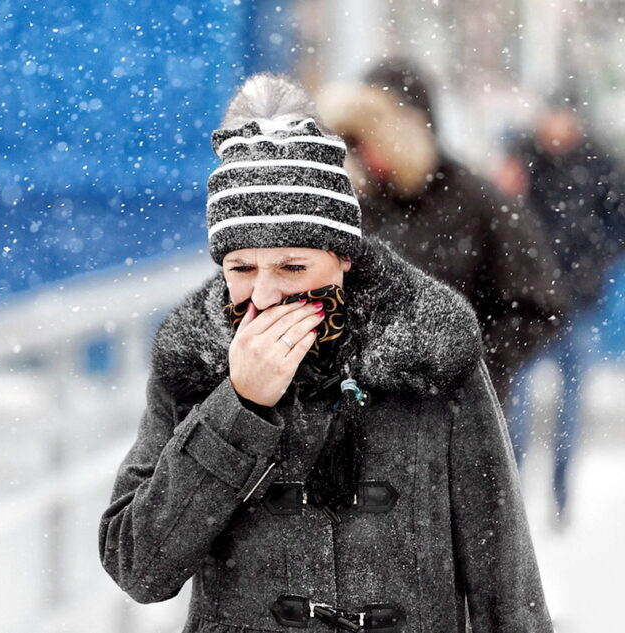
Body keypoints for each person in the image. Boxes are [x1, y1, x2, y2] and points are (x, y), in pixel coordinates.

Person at [99, 73, 552, 633]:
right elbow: (138, 568)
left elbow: (502, 576)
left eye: (292, 267)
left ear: (344, 259)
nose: (264, 295)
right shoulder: (197, 357)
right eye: (241, 268)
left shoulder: (431, 347)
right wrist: (237, 408)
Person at [314, 57, 566, 411]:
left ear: (411, 132)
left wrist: (472, 370)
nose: (365, 154)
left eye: (372, 139)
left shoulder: (478, 203)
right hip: (361, 422)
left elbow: (539, 304)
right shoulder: (349, 202)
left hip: (458, 427)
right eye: (355, 142)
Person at [496, 91, 625, 521]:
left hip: (579, 302)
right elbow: (501, 218)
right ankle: (515, 492)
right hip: (531, 305)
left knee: (571, 404)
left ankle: (560, 492)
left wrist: (595, 260)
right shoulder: (524, 159)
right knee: (518, 402)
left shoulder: (599, 163)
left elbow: (617, 224)